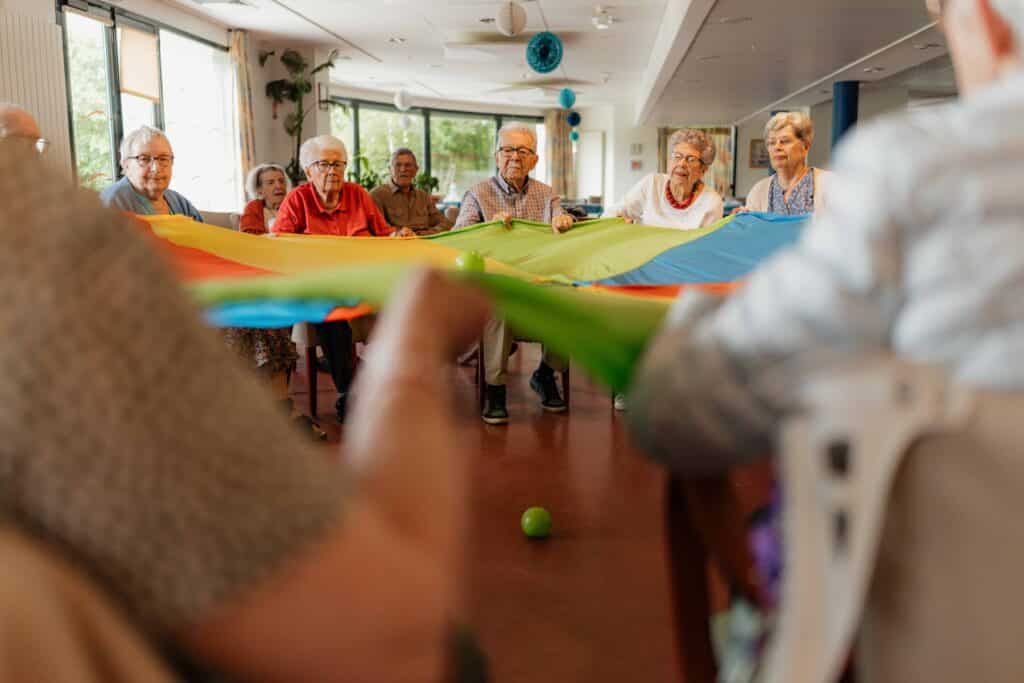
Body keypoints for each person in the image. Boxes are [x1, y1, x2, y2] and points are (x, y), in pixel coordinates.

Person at [0, 137, 492, 680]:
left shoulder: (170, 213)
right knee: (456, 655)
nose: (29, 155)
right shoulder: (32, 232)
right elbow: (389, 641)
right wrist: (415, 346)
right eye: (24, 145)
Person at [272, 135, 412, 422]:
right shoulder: (297, 199)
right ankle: (351, 394)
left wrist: (399, 236)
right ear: (308, 170)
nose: (333, 171)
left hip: (362, 280)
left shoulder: (358, 194)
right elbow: (280, 246)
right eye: (324, 164)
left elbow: (384, 235)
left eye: (339, 164)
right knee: (331, 310)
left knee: (409, 300)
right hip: (321, 285)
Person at [454, 123, 576, 425]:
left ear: (535, 160)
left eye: (523, 151)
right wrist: (487, 228)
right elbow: (458, 237)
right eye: (508, 150)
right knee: (499, 302)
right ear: (497, 156)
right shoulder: (478, 193)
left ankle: (546, 374)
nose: (515, 157)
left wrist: (564, 219)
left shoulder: (547, 194)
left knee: (571, 298)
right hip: (495, 284)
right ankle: (495, 389)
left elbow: (563, 217)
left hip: (538, 283)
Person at [606, 128, 724, 230]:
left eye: (691, 159)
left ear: (703, 170)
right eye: (677, 156)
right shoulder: (651, 184)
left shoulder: (712, 202)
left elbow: (708, 246)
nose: (682, 164)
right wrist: (619, 222)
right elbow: (612, 214)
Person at [99, 126, 204, 221]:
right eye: (144, 159)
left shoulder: (179, 202)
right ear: (125, 164)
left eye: (163, 159)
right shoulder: (111, 203)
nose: (156, 168)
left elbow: (203, 237)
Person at [738, 112, 833, 216]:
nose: (777, 147)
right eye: (771, 143)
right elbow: (753, 230)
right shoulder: (758, 191)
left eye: (785, 141)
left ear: (805, 147)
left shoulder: (830, 184)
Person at [370, 148, 452, 235]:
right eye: (398, 165)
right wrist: (398, 234)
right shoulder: (377, 195)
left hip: (424, 243)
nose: (403, 169)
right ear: (390, 169)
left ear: (416, 170)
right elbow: (376, 228)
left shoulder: (423, 196)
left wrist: (423, 234)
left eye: (408, 165)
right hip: (395, 244)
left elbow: (446, 224)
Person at [239, 163, 292, 233]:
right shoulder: (254, 207)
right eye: (271, 183)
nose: (279, 186)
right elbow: (248, 236)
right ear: (259, 189)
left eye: (281, 181)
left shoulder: (293, 205)